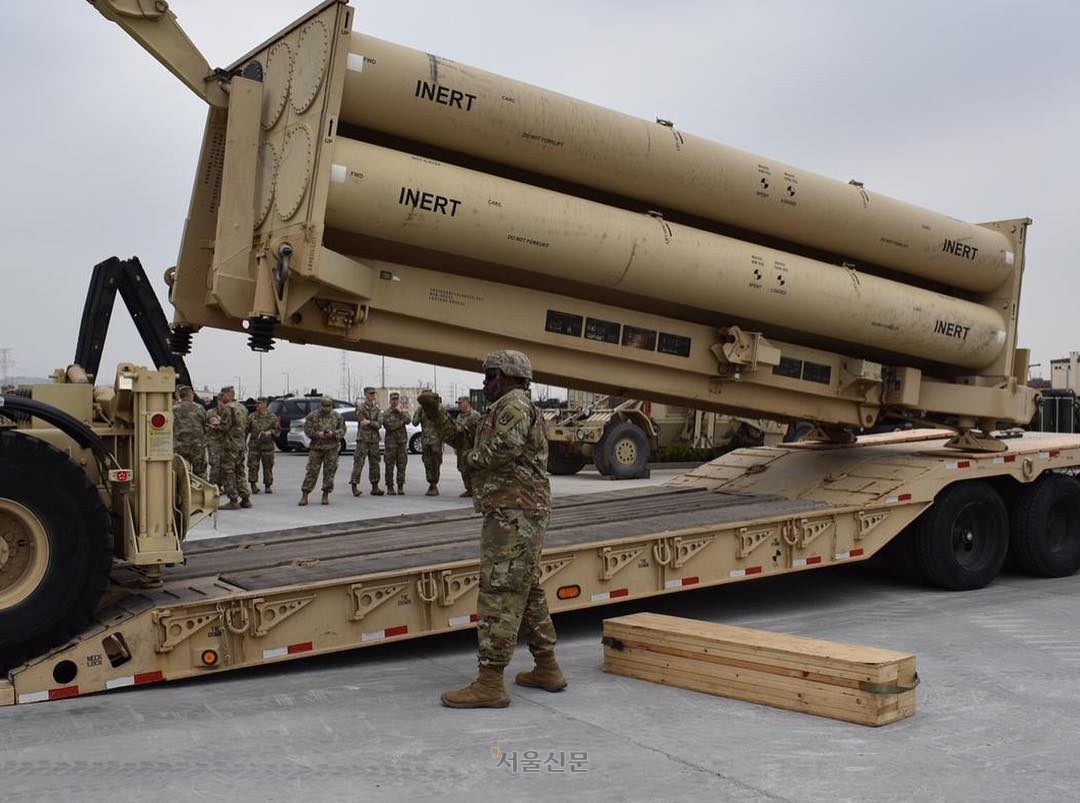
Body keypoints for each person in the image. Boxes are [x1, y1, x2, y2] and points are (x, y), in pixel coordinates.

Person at [417, 349, 564, 709]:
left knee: (499, 590)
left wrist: (471, 460)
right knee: (525, 587)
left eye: (489, 375)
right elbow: (460, 435)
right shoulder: (498, 410)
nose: (484, 383)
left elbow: (503, 449)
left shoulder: (514, 404)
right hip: (516, 509)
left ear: (508, 376)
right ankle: (547, 666)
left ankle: (490, 681)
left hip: (515, 511)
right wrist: (436, 413)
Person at [300, 395, 345, 506]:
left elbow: (343, 429)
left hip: (331, 448)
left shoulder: (337, 416)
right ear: (321, 405)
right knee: (312, 471)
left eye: (328, 406)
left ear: (331, 406)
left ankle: (325, 494)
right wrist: (317, 434)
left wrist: (333, 433)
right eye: (324, 406)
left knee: (329, 472)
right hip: (316, 448)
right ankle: (305, 494)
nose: (326, 408)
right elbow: (307, 429)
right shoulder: (313, 416)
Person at [218, 385, 252, 510]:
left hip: (230, 445)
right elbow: (246, 426)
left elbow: (224, 427)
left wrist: (216, 425)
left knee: (228, 472)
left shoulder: (228, 408)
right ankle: (245, 498)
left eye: (223, 395)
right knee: (240, 471)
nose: (222, 397)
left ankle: (233, 499)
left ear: (229, 394)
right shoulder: (242, 407)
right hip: (240, 444)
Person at [350, 386, 384, 496]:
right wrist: (371, 422)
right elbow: (361, 420)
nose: (372, 396)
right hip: (363, 440)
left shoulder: (377, 410)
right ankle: (354, 486)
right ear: (365, 395)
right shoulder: (360, 408)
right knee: (359, 462)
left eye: (373, 394)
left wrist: (369, 422)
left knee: (375, 463)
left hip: (374, 440)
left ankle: (375, 486)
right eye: (370, 394)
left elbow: (379, 424)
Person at [246, 397, 280, 494]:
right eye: (256, 403)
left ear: (265, 404)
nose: (257, 405)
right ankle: (253, 485)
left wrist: (271, 432)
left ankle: (268, 485)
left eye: (259, 403)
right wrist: (243, 443)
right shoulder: (252, 416)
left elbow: (278, 430)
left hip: (267, 446)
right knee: (253, 466)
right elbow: (246, 430)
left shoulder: (272, 417)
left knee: (268, 466)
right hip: (254, 446)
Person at [172, 385, 207, 478]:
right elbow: (205, 424)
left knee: (181, 471)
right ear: (191, 395)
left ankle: (182, 490)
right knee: (200, 472)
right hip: (197, 445)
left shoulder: (174, 408)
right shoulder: (200, 408)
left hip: (180, 446)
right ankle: (200, 490)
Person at [412, 396, 444, 496]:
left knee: (436, 462)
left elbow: (443, 422)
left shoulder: (438, 408)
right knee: (427, 463)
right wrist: (419, 411)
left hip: (436, 441)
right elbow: (415, 423)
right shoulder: (421, 410)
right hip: (425, 441)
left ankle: (434, 483)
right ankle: (431, 483)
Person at [380, 392, 410, 495]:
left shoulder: (402, 410)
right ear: (390, 401)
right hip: (391, 444)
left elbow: (408, 420)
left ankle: (400, 486)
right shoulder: (386, 413)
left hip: (402, 443)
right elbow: (389, 426)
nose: (395, 401)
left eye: (396, 399)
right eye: (393, 399)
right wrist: (401, 422)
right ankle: (390, 486)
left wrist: (401, 412)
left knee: (402, 465)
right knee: (389, 465)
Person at [454, 396, 481, 497]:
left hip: (471, 446)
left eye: (460, 403)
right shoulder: (459, 416)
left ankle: (475, 489)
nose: (459, 405)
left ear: (466, 403)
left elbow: (478, 431)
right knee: (462, 468)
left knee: (472, 469)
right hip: (461, 447)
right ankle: (469, 488)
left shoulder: (475, 415)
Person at [206, 394, 226, 488]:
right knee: (215, 464)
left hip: (226, 442)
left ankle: (224, 485)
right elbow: (204, 424)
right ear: (218, 401)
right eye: (221, 401)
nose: (222, 404)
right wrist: (210, 423)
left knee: (225, 465)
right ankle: (213, 485)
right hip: (213, 441)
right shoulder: (210, 412)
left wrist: (220, 422)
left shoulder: (228, 412)